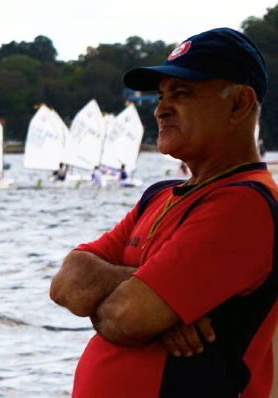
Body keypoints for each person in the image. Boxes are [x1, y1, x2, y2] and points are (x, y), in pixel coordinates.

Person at [49, 28, 278, 397]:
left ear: (239, 103)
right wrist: (155, 295)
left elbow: (127, 318)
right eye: (160, 96)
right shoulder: (159, 196)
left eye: (182, 93)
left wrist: (145, 302)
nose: (160, 108)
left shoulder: (246, 204)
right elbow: (66, 284)